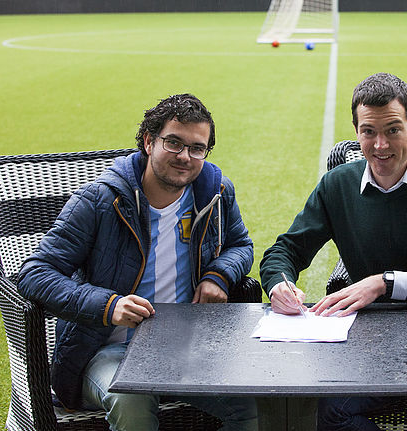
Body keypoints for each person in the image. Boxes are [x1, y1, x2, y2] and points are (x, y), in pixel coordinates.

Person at [259, 73, 407, 430]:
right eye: (369, 131)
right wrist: (280, 284)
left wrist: (386, 283)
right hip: (374, 336)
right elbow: (286, 250)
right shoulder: (337, 185)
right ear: (356, 130)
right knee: (329, 413)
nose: (380, 145)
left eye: (392, 130)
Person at [18, 93, 258, 431]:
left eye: (197, 148)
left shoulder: (216, 193)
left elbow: (241, 246)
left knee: (251, 402)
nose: (185, 157)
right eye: (173, 143)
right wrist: (108, 304)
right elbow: (35, 274)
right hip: (109, 351)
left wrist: (218, 274)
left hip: (189, 348)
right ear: (148, 141)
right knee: (131, 397)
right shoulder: (100, 200)